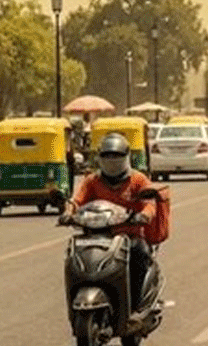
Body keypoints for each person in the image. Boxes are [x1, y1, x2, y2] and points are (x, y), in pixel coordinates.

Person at [63, 133, 156, 310]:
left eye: (116, 156)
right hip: (97, 236)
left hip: (129, 236)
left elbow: (149, 204)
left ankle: (136, 306)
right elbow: (77, 201)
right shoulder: (92, 181)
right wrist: (68, 213)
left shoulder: (138, 180)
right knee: (72, 256)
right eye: (107, 156)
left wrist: (144, 215)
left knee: (141, 252)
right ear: (100, 158)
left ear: (126, 157)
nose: (112, 160)